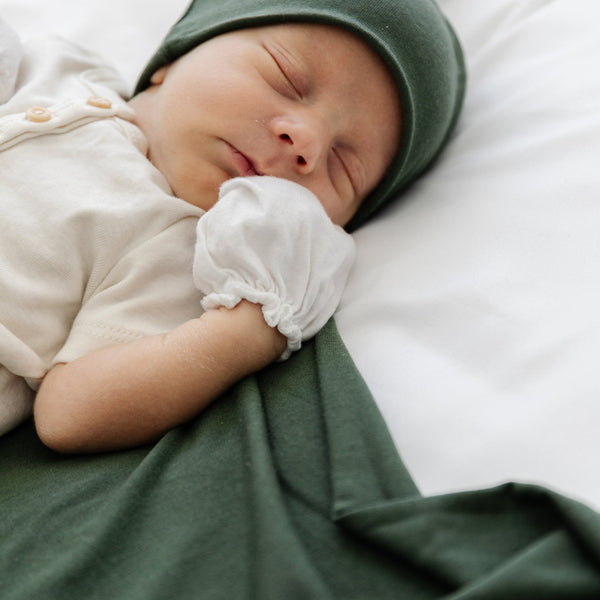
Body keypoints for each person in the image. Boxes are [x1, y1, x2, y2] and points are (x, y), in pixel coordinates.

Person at [0, 0, 465, 453]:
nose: (307, 140)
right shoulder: (60, 65)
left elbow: (71, 414)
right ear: (178, 53)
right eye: (286, 78)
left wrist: (247, 333)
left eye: (344, 166)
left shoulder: (177, 257)